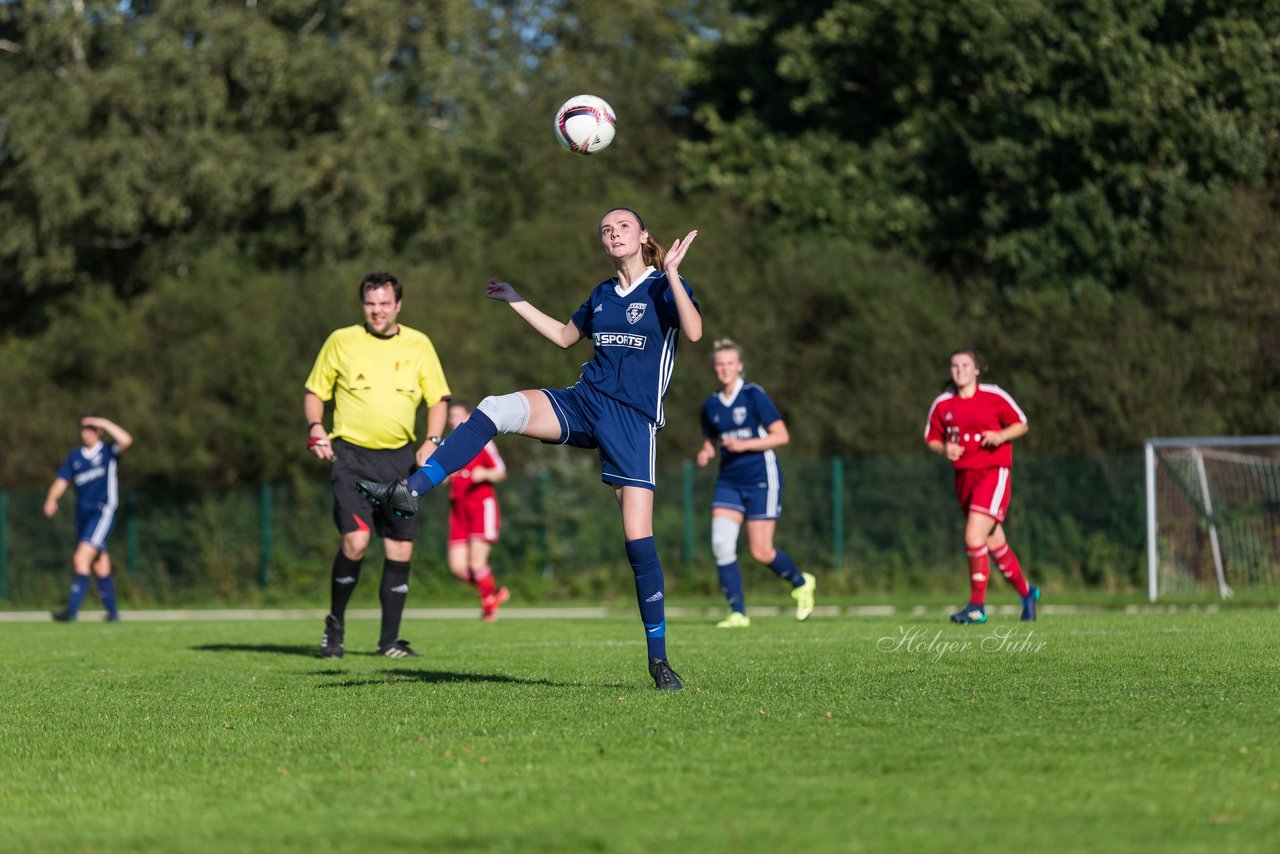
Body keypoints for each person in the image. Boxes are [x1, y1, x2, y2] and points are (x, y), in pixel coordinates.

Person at [356, 208, 701, 691]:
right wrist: (516, 300)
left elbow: (694, 332)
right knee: (495, 407)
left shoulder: (664, 286)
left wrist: (673, 274)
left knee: (637, 538)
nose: (613, 233)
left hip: (631, 422)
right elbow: (564, 337)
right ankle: (411, 490)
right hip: (584, 402)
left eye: (623, 226)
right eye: (605, 229)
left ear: (643, 235)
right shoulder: (603, 294)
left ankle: (659, 661)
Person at [304, 271, 451, 659]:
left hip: (401, 462)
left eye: (385, 303)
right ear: (362, 305)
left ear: (398, 305)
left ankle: (389, 642)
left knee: (400, 549)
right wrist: (316, 426)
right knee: (355, 541)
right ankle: (333, 629)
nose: (377, 311)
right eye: (371, 303)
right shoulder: (342, 341)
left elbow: (439, 399)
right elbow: (314, 392)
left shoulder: (419, 344)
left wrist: (432, 442)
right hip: (351, 457)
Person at [696, 339, 816, 627]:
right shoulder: (711, 404)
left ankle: (801, 583)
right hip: (728, 481)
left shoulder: (753, 395)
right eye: (719, 364)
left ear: (739, 366)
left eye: (729, 364)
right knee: (721, 544)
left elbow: (781, 436)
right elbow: (711, 440)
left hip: (762, 478)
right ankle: (738, 612)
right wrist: (706, 451)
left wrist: (745, 444)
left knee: (761, 551)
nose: (724, 369)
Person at [924, 347, 1039, 624]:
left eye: (965, 365)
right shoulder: (943, 404)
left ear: (977, 369)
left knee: (973, 538)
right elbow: (932, 438)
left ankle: (977, 606)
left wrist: (1000, 436)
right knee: (994, 544)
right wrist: (944, 450)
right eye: (954, 366)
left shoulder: (994, 395)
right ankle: (1027, 593)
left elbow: (1021, 424)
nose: (959, 370)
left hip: (993, 473)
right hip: (964, 478)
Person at [46, 414, 134, 622]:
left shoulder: (107, 452)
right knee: (99, 564)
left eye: (92, 428)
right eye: (85, 428)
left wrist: (102, 421)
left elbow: (126, 440)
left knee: (80, 558)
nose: (87, 432)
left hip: (102, 511)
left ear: (99, 431)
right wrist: (52, 499)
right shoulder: (74, 457)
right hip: (83, 515)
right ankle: (113, 614)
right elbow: (62, 480)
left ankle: (71, 611)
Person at [444, 399, 511, 621]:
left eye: (457, 416)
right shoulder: (447, 445)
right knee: (457, 567)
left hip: (481, 506)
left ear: (469, 416)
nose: (453, 421)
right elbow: (438, 474)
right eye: (450, 417)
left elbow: (500, 471)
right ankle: (492, 592)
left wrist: (484, 472)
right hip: (458, 510)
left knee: (476, 563)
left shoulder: (481, 441)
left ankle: (489, 607)